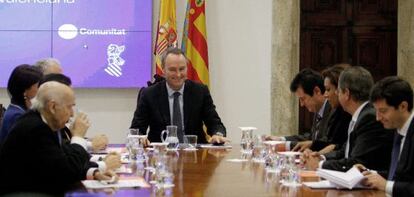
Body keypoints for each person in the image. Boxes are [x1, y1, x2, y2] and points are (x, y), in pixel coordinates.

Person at [0, 82, 116, 195]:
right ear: (52, 106)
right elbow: (66, 173)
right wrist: (78, 137)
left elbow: (59, 163)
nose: (71, 114)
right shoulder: (35, 128)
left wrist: (93, 172)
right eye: (70, 107)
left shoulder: (43, 122)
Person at [302, 66, 393, 172]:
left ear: (346, 93)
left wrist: (320, 165)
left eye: (339, 91)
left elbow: (356, 162)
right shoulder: (359, 115)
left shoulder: (369, 118)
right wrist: (321, 157)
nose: (336, 93)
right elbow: (344, 151)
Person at [130, 47, 227, 144]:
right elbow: (136, 130)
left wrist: (218, 135)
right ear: (163, 70)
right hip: (161, 155)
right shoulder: (149, 94)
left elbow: (215, 124)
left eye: (182, 69)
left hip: (195, 154)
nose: (178, 74)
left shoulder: (200, 92)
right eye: (172, 70)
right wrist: (139, 139)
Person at [355, 76, 414, 196]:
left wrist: (386, 185)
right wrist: (371, 173)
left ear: (403, 106)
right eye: (376, 111)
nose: (377, 118)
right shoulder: (397, 130)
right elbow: (399, 175)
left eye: (383, 111)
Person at [266, 68, 331, 150]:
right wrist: (281, 140)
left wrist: (285, 146)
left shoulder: (333, 111)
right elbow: (310, 138)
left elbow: (324, 143)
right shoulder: (318, 110)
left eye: (303, 98)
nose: (302, 104)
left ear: (317, 91)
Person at [299, 64, 352, 153]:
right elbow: (331, 142)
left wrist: (318, 155)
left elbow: (340, 148)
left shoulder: (351, 114)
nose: (325, 95)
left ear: (340, 90)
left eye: (328, 90)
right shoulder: (336, 112)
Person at [0, 64, 43, 143]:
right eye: (38, 86)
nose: (41, 89)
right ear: (25, 90)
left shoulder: (18, 110)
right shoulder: (17, 116)